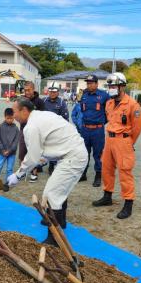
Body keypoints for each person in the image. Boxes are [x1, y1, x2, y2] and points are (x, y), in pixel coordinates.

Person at [7, 98, 88, 245]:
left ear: (24, 111)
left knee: (51, 194)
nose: (13, 115)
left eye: (14, 112)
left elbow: (32, 157)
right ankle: (60, 222)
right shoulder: (42, 115)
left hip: (73, 157)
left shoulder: (31, 126)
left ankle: (54, 239)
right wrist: (44, 157)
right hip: (74, 152)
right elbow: (47, 145)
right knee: (58, 189)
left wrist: (17, 175)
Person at [93, 73, 141, 219]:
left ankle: (128, 203)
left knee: (125, 172)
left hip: (124, 141)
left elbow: (137, 128)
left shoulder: (133, 104)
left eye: (114, 86)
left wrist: (128, 143)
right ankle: (107, 196)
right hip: (109, 139)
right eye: (110, 86)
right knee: (106, 168)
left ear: (122, 87)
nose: (111, 89)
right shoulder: (109, 103)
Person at [79, 74, 109, 187]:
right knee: (83, 153)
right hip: (85, 129)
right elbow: (81, 110)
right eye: (88, 83)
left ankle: (98, 176)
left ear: (97, 84)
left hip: (97, 130)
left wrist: (100, 122)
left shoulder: (104, 96)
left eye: (91, 83)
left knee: (98, 154)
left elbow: (109, 113)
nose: (89, 85)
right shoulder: (83, 95)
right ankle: (83, 174)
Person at [18, 81, 45, 183]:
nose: (27, 92)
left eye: (28, 90)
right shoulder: (21, 100)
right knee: (22, 152)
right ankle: (22, 172)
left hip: (35, 131)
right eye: (25, 90)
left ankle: (34, 173)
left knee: (34, 152)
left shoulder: (39, 102)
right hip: (23, 129)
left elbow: (43, 116)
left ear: (33, 89)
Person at [43, 81, 69, 175]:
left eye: (54, 92)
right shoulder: (44, 101)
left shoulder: (62, 103)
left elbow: (65, 119)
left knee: (54, 149)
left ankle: (52, 165)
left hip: (56, 131)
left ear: (58, 92)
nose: (52, 93)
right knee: (44, 148)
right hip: (45, 130)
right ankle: (40, 165)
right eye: (50, 92)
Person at [0, 108, 20, 192]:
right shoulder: (0, 126)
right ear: (4, 117)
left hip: (12, 153)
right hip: (2, 152)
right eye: (8, 118)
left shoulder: (16, 129)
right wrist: (2, 150)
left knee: (9, 169)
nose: (9, 120)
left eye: (11, 118)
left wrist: (10, 150)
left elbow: (16, 141)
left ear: (13, 117)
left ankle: (8, 183)